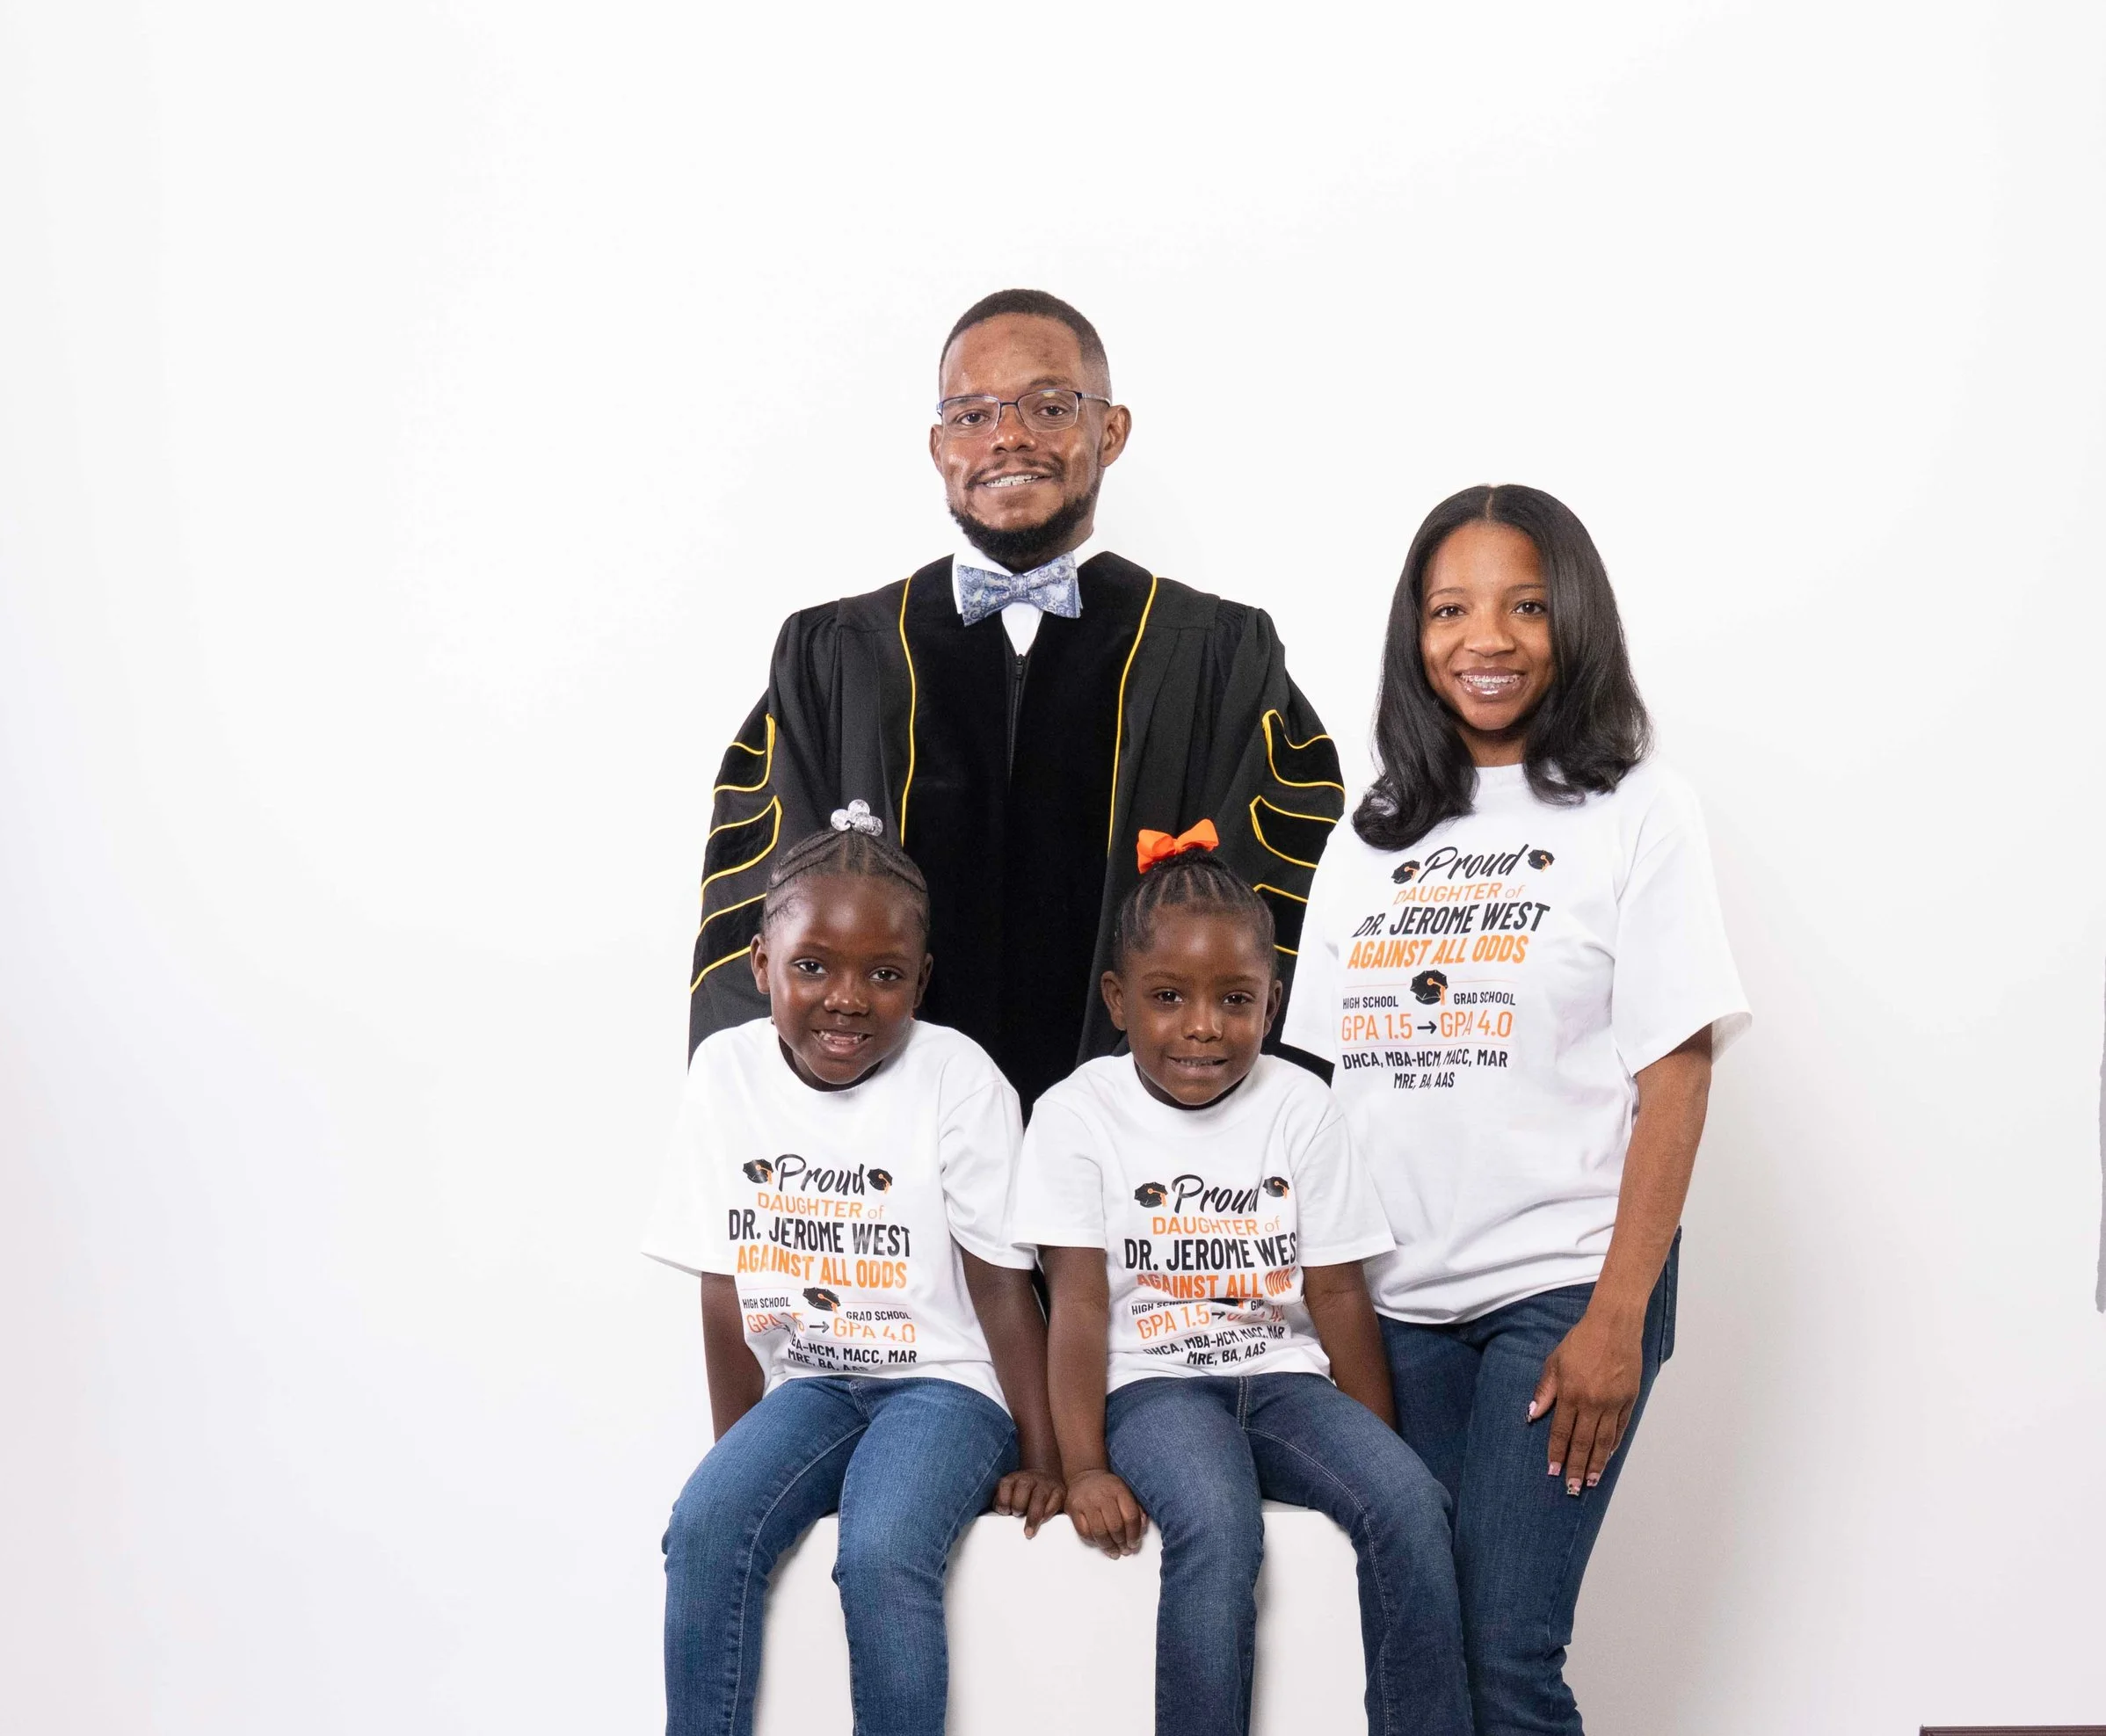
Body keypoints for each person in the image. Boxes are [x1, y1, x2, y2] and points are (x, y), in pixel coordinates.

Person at [1282, 484, 1751, 1735]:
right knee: (1414, 1653)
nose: (1484, 638)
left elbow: (1678, 1073)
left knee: (1503, 1657)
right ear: (1415, 632)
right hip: (1392, 1304)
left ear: (1573, 620)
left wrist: (1617, 1317)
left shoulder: (1637, 808)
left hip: (1562, 1288)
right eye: (1450, 610)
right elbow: (1318, 1094)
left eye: (1525, 606)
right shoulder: (1369, 832)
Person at [689, 288, 1343, 1112]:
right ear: (938, 447)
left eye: (1049, 406)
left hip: (1150, 1159)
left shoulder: (1219, 655)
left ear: (1111, 431)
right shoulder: (836, 658)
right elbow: (759, 922)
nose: (1008, 436)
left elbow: (1283, 918)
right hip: (885, 1158)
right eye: (972, 414)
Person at [1011, 829, 1472, 1736]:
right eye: (1168, 997)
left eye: (1234, 999)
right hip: (1154, 1386)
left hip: (1285, 1379)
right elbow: (1078, 1306)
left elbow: (1337, 1294)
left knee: (1413, 1500)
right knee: (1218, 1521)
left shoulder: (1302, 1105)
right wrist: (1084, 1464)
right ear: (1118, 1000)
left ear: (1273, 1003)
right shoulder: (1075, 1115)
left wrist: (1373, 1449)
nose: (1203, 1026)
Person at [647, 806, 1064, 1736]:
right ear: (762, 964)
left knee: (881, 1550)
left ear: (922, 978)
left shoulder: (957, 1077)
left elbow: (1004, 1289)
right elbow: (724, 1283)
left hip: (946, 1388)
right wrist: (738, 1460)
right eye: (812, 967)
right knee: (704, 1527)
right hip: (811, 1383)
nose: (847, 999)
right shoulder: (724, 1073)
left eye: (884, 974)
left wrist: (1047, 1460)